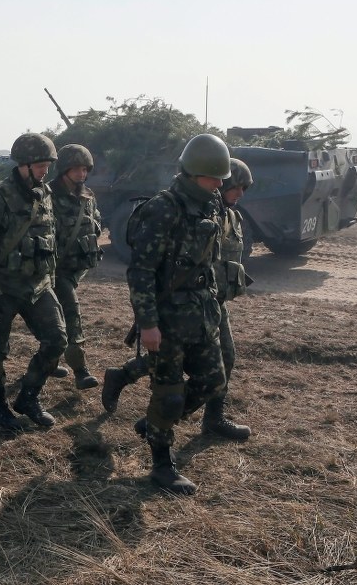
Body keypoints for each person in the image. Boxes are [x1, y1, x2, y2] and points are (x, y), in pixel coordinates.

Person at [105, 133, 232, 495]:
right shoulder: (163, 208)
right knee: (169, 394)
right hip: (167, 318)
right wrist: (147, 324)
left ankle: (155, 423)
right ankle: (162, 464)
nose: (220, 183)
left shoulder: (210, 204)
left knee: (213, 381)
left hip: (202, 312)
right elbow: (141, 271)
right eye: (214, 177)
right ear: (193, 173)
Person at [0, 133, 67, 430]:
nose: (45, 170)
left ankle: (28, 397)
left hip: (38, 286)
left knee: (57, 340)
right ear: (22, 165)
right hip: (2, 287)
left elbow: (50, 239)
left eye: (48, 164)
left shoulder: (45, 194)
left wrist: (51, 277)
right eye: (40, 165)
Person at [204, 158, 254, 439]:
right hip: (194, 302)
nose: (240, 193)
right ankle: (124, 376)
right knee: (172, 364)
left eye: (244, 188)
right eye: (236, 187)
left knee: (227, 357)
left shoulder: (233, 217)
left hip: (217, 303)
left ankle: (214, 419)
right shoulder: (202, 216)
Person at [49, 144, 104, 390]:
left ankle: (48, 361)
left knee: (53, 321)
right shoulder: (48, 196)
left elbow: (96, 222)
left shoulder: (88, 195)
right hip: (55, 270)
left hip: (75, 269)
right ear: (64, 170)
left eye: (85, 169)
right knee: (71, 316)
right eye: (76, 169)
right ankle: (81, 371)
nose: (82, 174)